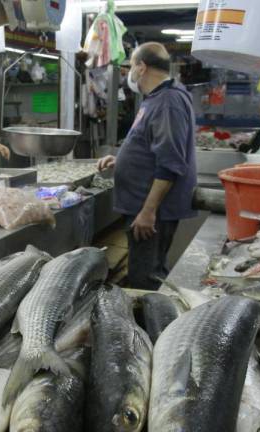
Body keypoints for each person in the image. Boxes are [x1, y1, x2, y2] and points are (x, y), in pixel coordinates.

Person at [97, 42, 197, 291]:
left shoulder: (168, 101)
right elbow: (154, 147)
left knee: (146, 278)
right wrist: (123, 160)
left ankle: (151, 329)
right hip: (144, 206)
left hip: (153, 213)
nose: (129, 73)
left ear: (141, 67)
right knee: (144, 271)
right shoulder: (156, 98)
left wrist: (148, 211)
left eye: (131, 66)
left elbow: (170, 163)